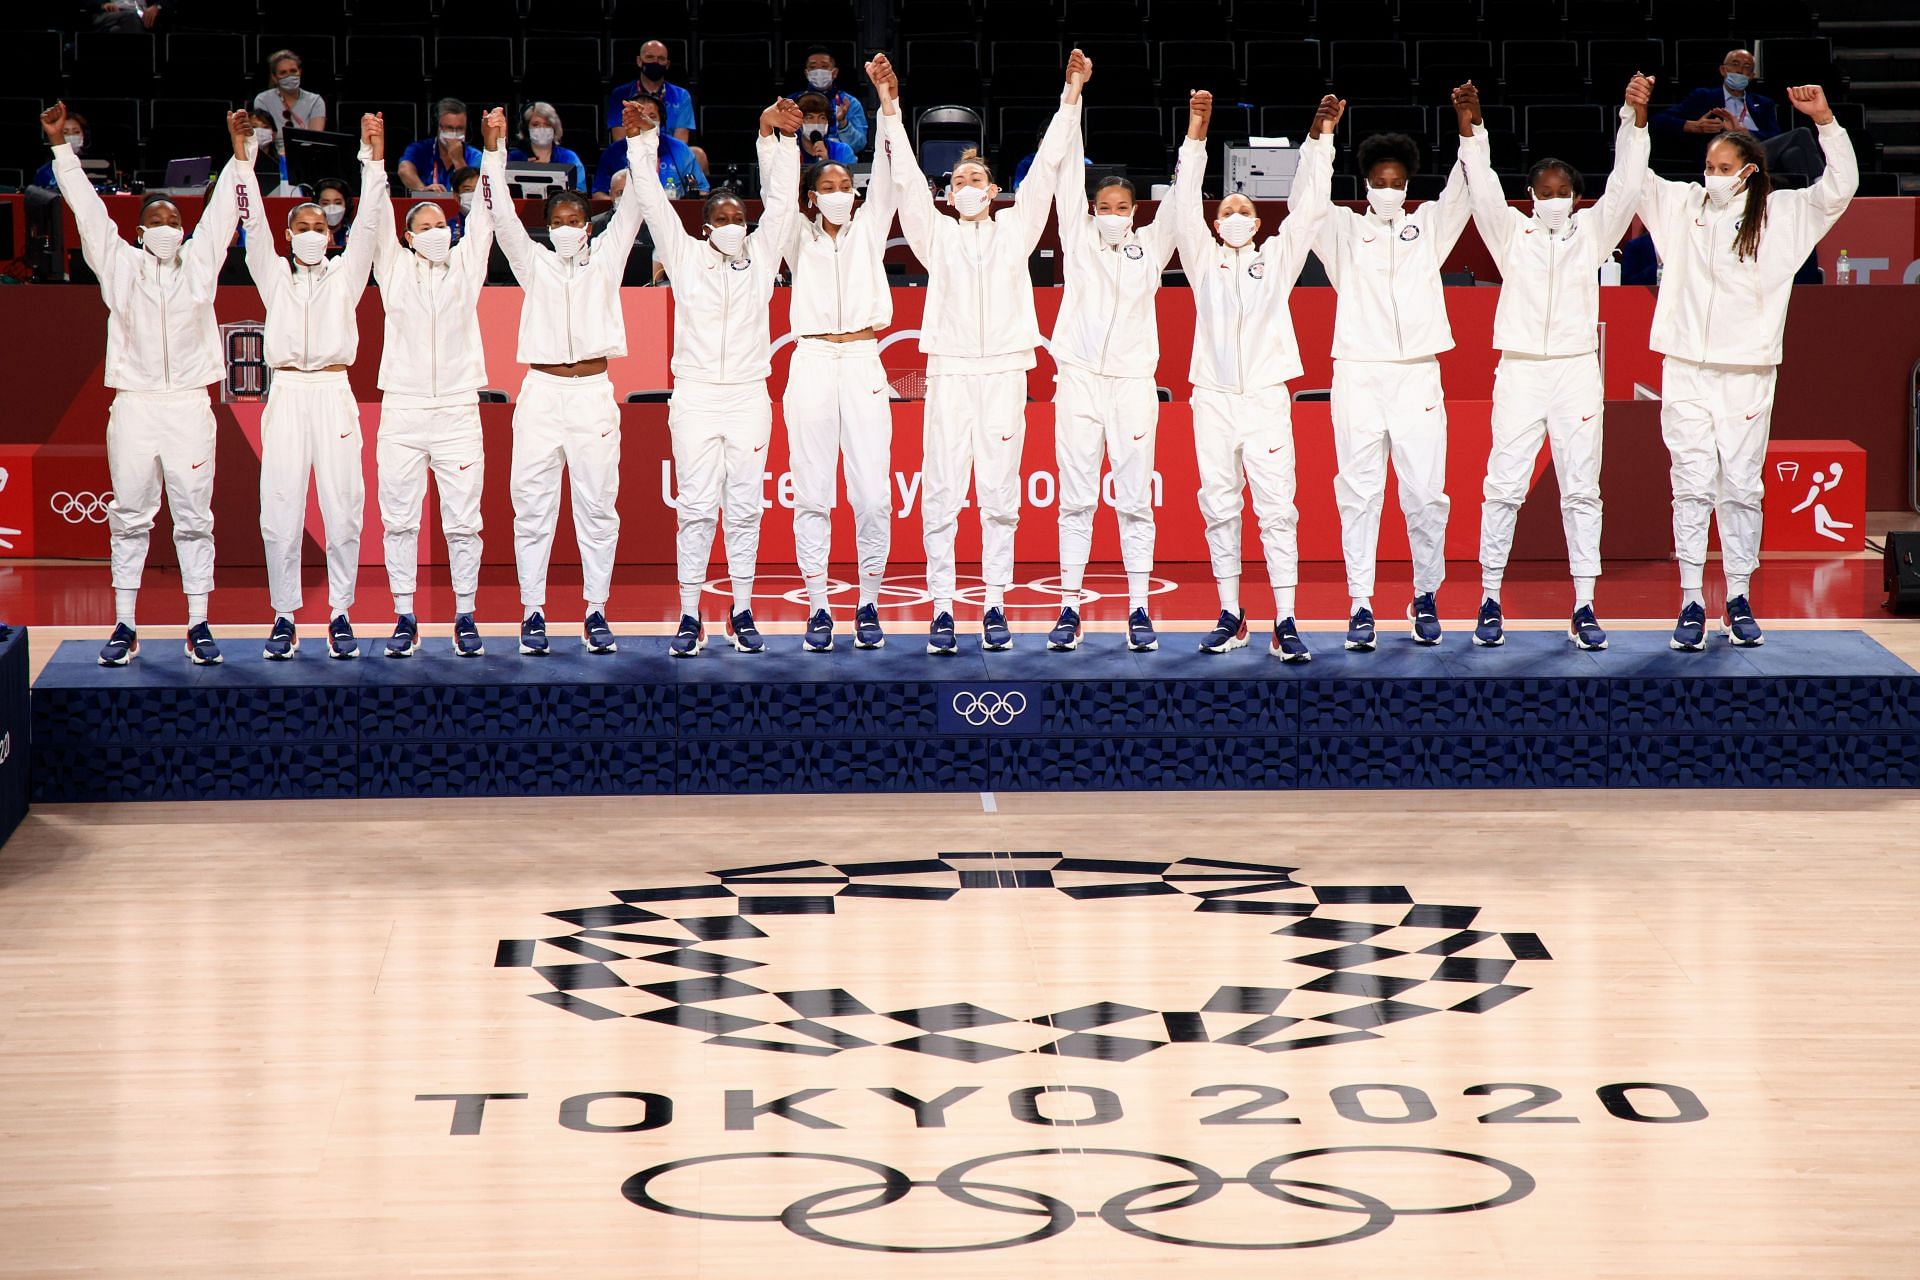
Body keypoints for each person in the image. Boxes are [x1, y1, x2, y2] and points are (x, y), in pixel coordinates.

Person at [1638, 86, 1855, 651]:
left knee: (1740, 487)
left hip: (1749, 372)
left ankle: (1737, 598)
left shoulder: (1784, 214)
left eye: (1723, 166)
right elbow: (1634, 179)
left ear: (1750, 171)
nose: (1712, 174)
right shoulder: (1681, 206)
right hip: (1685, 365)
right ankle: (1690, 600)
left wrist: (1826, 122)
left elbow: (1841, 187)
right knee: (1688, 486)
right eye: (1708, 165)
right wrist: (1632, 118)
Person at [884, 49, 1086, 654]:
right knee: (943, 491)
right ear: (947, 195)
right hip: (949, 372)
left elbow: (1048, 169)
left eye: (977, 179)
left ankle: (994, 604)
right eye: (957, 181)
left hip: (1003, 371)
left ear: (995, 190)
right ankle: (943, 608)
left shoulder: (1017, 232)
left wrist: (1070, 97)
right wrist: (891, 109)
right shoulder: (935, 235)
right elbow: (902, 181)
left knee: (999, 495)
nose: (966, 186)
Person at [42, 101, 253, 666]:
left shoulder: (201, 263)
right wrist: (62, 149)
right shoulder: (119, 266)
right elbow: (87, 210)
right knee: (131, 515)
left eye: (173, 222)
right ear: (139, 231)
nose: (166, 228)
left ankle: (198, 622)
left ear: (184, 231)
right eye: (155, 222)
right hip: (134, 405)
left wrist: (240, 156)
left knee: (194, 517)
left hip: (189, 405)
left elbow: (223, 217)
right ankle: (126, 623)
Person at [1460, 74, 1653, 652]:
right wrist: (1472, 127)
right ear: (1530, 196)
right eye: (1542, 191)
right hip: (1519, 369)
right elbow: (1483, 186)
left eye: (1561, 191)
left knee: (1581, 490)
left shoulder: (1594, 232)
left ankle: (1584, 605)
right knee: (1503, 487)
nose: (1552, 200)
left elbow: (1625, 186)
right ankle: (1489, 599)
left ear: (1575, 195)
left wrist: (1634, 119)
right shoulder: (1509, 233)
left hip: (1574, 371)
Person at [630, 98, 804, 656]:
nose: (734, 226)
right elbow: (654, 201)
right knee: (699, 507)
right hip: (698, 397)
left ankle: (743, 610)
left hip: (750, 396)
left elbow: (781, 202)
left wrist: (776, 138)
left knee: (747, 507)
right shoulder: (683, 257)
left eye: (739, 220)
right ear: (705, 228)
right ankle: (688, 614)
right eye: (723, 220)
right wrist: (643, 142)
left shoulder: (761, 258)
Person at [481, 104, 652, 656]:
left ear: (588, 224)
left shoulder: (607, 259)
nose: (567, 229)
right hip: (541, 394)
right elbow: (502, 215)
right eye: (557, 221)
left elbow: (634, 207)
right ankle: (532, 612)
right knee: (531, 506)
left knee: (598, 506)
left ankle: (596, 611)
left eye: (576, 220)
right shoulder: (534, 264)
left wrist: (639, 141)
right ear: (548, 228)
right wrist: (494, 149)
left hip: (593, 395)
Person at [1176, 91, 1340, 661]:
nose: (1237, 216)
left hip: (1267, 397)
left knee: (1277, 509)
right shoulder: (1202, 259)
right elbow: (1178, 208)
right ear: (1215, 222)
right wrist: (1197, 134)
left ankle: (1286, 619)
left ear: (1258, 220)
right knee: (1219, 505)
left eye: (1245, 210)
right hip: (1213, 398)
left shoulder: (1278, 258)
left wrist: (1320, 141)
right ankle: (1231, 612)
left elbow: (1312, 210)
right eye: (1227, 211)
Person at [1315, 86, 1477, 651]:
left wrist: (1468, 126)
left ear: (1408, 186)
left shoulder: (1428, 226)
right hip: (1358, 372)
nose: (1388, 190)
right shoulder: (1339, 231)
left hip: (1417, 375)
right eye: (1378, 183)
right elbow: (1305, 201)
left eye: (1396, 183)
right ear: (1364, 185)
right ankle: (1360, 602)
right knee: (1358, 493)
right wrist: (1323, 137)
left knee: (1426, 494)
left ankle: (1425, 595)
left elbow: (1468, 189)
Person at [1044, 78, 1193, 654]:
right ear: (1092, 211)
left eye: (1122, 207)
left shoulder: (1150, 246)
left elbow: (1182, 204)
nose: (1111, 214)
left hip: (1132, 384)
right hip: (1079, 380)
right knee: (1076, 500)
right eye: (1103, 207)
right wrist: (1075, 95)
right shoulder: (1077, 238)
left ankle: (1138, 609)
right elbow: (1063, 178)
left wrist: (1193, 137)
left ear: (1135, 212)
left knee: (1133, 500)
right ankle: (1069, 609)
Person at [240, 113, 386, 661]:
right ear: (289, 235)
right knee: (280, 507)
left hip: (333, 392)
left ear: (330, 235)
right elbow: (251, 223)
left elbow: (370, 224)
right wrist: (245, 159)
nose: (309, 235)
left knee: (344, 505)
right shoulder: (272, 274)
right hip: (288, 396)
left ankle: (341, 613)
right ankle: (283, 616)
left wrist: (373, 161)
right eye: (300, 228)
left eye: (318, 229)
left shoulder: (347, 274)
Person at [779, 56, 900, 654]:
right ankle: (820, 607)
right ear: (811, 197)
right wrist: (773, 138)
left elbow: (889, 170)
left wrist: (887, 105)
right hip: (811, 363)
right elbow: (777, 193)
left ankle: (869, 601)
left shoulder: (868, 229)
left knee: (873, 493)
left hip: (864, 361)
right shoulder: (796, 236)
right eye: (826, 188)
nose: (838, 195)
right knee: (812, 493)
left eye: (843, 187)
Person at [368, 126, 495, 659]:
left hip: (458, 409)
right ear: (407, 237)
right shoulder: (392, 267)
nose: (438, 230)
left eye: (443, 223)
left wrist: (493, 150)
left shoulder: (467, 266)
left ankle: (465, 614)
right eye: (426, 225)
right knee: (399, 519)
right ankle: (404, 615)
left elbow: (487, 213)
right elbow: (374, 216)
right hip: (402, 408)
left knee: (464, 521)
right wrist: (373, 157)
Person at [596, 93, 706, 198]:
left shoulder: (680, 149)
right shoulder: (613, 153)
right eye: (640, 116)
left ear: (661, 121)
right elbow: (598, 193)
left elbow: (702, 191)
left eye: (652, 116)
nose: (645, 121)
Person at [1655, 49, 1779, 142]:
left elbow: (1776, 138)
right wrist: (1694, 126)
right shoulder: (1702, 96)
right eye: (1735, 64)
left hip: (1755, 153)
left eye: (1746, 66)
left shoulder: (1764, 103)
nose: (1740, 70)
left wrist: (1745, 133)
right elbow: (1658, 120)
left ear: (1752, 76)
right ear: (1723, 70)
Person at [609, 40, 694, 145]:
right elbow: (619, 139)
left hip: (668, 155)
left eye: (661, 59)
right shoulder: (620, 94)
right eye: (650, 57)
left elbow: (681, 142)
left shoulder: (682, 95)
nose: (656, 62)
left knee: (698, 154)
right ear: (639, 61)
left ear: (667, 65)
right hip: (632, 153)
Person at [787, 47, 868, 156]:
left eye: (824, 67)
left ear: (834, 72)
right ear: (807, 73)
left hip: (840, 165)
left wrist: (843, 123)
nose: (818, 71)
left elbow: (858, 146)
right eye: (813, 67)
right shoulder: (792, 103)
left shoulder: (849, 103)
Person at [399, 98, 480, 193]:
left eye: (460, 128)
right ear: (438, 127)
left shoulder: (475, 156)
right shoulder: (419, 149)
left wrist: (458, 160)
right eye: (449, 128)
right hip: (428, 205)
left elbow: (471, 189)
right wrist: (423, 190)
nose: (454, 133)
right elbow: (404, 170)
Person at [508, 102, 587, 190]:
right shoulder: (514, 158)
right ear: (526, 129)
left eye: (547, 125)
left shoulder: (569, 157)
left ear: (554, 128)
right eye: (535, 124)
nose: (541, 129)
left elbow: (580, 193)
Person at [253, 48, 326, 133]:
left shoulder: (316, 101)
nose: (289, 76)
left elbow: (316, 136)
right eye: (283, 72)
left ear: (300, 72)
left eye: (293, 71)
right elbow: (264, 134)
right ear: (274, 77)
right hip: (274, 146)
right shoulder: (263, 100)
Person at [32, 111, 90, 189]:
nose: (71, 136)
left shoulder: (96, 166)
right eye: (65, 133)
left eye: (76, 132)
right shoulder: (44, 173)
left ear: (84, 135)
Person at [796, 93, 857, 167]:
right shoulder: (791, 151)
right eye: (810, 117)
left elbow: (849, 177)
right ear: (799, 122)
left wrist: (826, 162)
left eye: (822, 118)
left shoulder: (843, 151)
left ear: (827, 122)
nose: (816, 122)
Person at [312, 175, 352, 252]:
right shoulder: (309, 234)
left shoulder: (354, 234)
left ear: (347, 204)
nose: (332, 208)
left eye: (337, 203)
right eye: (325, 203)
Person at [448, 166, 479, 242]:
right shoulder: (448, 227)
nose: (474, 195)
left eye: (478, 190)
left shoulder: (495, 225)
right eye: (468, 190)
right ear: (456, 195)